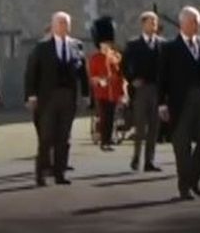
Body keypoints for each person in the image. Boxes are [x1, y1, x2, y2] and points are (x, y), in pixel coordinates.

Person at [158, 6, 200, 201]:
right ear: (183, 23)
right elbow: (162, 78)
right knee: (182, 146)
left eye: (199, 22)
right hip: (180, 102)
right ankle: (184, 186)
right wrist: (162, 104)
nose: (197, 26)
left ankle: (194, 178)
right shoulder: (169, 48)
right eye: (194, 22)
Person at [24, 11, 89, 187]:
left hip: (68, 96)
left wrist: (85, 94)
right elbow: (32, 73)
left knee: (64, 137)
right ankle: (41, 173)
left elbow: (83, 72)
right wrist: (31, 95)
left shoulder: (77, 46)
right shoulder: (42, 47)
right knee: (46, 137)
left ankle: (60, 173)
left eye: (66, 23)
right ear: (53, 26)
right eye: (60, 23)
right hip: (48, 98)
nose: (63, 26)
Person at [123, 11, 164, 172]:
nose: (154, 24)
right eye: (150, 21)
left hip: (157, 89)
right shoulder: (133, 44)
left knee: (154, 127)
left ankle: (150, 161)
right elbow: (124, 65)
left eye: (155, 21)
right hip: (141, 89)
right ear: (143, 23)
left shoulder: (162, 44)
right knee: (140, 126)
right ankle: (136, 157)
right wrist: (132, 79)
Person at [89, 17, 125, 152]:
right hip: (102, 92)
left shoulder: (116, 56)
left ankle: (108, 140)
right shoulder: (95, 58)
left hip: (114, 92)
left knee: (110, 117)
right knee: (104, 117)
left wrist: (122, 92)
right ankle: (104, 141)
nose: (107, 46)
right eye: (104, 43)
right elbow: (93, 77)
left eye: (108, 43)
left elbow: (120, 75)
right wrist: (102, 80)